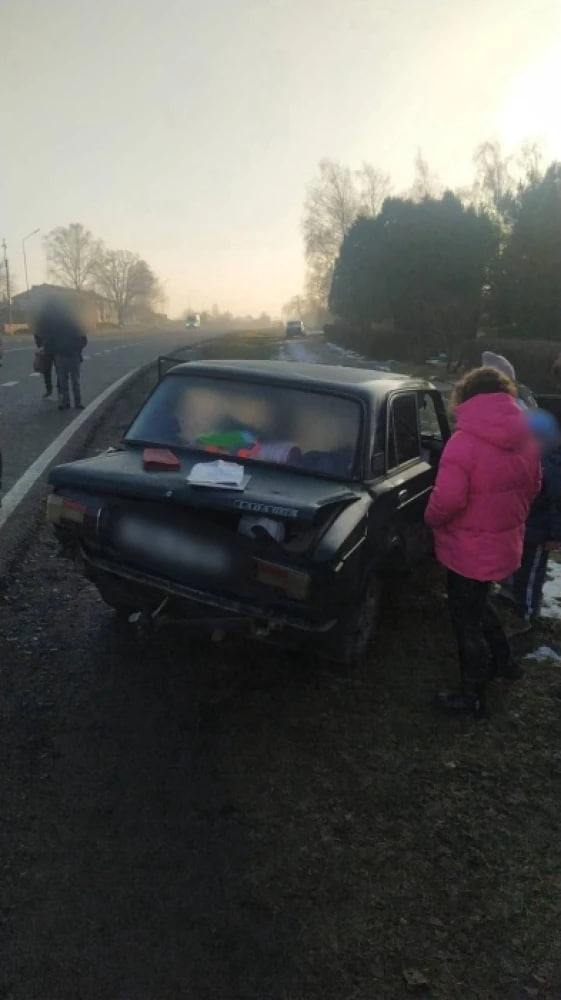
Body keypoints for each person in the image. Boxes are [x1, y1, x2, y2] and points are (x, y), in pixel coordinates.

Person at [425, 366, 541, 715]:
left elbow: (447, 501)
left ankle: (471, 695)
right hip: (503, 542)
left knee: (464, 619)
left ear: (466, 397)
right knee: (479, 603)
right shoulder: (527, 438)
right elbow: (534, 487)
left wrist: (429, 519)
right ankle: (505, 662)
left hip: (467, 547)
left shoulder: (464, 441)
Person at [511, 409, 561, 628]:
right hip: (522, 528)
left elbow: (557, 504)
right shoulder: (524, 460)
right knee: (520, 571)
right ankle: (519, 605)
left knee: (531, 574)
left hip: (539, 533)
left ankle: (528, 614)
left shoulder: (551, 466)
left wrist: (555, 535)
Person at [35, 299, 87, 411]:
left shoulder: (76, 325)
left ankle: (77, 402)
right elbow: (50, 340)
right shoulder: (56, 327)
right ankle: (66, 403)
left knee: (74, 381)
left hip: (73, 356)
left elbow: (83, 340)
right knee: (64, 382)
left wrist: (76, 350)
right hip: (61, 356)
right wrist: (46, 349)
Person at [34, 328, 59, 400]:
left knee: (59, 370)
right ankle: (49, 390)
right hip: (45, 350)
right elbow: (36, 334)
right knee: (46, 370)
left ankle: (60, 390)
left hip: (56, 349)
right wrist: (40, 346)